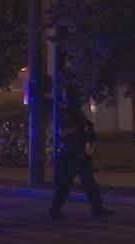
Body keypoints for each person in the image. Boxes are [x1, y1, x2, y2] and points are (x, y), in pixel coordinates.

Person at [49, 85, 113, 220]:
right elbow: (63, 132)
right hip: (70, 153)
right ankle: (55, 210)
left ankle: (98, 209)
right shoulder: (67, 113)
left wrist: (88, 129)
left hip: (79, 153)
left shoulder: (78, 113)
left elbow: (84, 130)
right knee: (65, 184)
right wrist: (78, 127)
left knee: (89, 183)